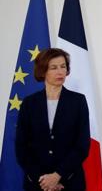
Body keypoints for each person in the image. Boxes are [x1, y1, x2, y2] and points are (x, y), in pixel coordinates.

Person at [15, 48, 90, 191]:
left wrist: (58, 176)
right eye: (54, 67)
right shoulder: (29, 103)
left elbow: (82, 146)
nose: (60, 72)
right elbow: (21, 148)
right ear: (43, 71)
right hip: (37, 184)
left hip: (70, 181)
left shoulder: (78, 101)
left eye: (63, 66)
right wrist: (43, 180)